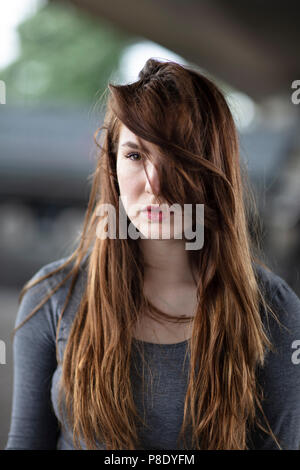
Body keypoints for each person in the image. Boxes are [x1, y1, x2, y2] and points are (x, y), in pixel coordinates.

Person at [5, 59, 300, 450]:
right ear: (111, 164)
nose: (154, 183)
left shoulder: (273, 311)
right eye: (135, 155)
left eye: (177, 156)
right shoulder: (51, 297)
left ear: (214, 168)